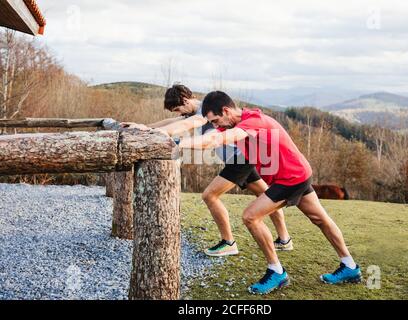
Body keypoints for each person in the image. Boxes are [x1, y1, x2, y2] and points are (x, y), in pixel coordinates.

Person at [179, 91, 361, 294]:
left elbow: (219, 139)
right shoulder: (231, 122)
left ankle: (276, 271)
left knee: (250, 217)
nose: (215, 125)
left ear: (226, 110)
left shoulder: (252, 122)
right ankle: (350, 267)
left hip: (291, 178)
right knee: (320, 219)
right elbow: (210, 134)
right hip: (298, 172)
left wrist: (178, 144)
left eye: (215, 120)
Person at [122, 84, 294, 256]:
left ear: (185, 100)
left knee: (209, 196)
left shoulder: (205, 111)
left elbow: (186, 124)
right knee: (265, 194)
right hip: (242, 157)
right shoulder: (194, 110)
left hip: (239, 158)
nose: (178, 114)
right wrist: (145, 127)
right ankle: (284, 239)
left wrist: (158, 133)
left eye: (177, 109)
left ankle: (228, 243)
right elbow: (173, 122)